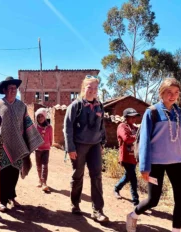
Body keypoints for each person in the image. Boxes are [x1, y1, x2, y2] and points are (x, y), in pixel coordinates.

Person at [126, 78, 181, 232]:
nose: (172, 96)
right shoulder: (152, 112)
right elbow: (144, 142)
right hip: (156, 164)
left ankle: (176, 230)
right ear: (161, 93)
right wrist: (144, 167)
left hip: (177, 162)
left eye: (176, 92)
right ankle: (133, 215)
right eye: (169, 92)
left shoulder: (180, 114)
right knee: (153, 200)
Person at [0, 76, 44, 212]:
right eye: (10, 88)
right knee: (3, 172)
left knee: (15, 171)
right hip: (2, 145)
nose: (13, 91)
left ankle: (11, 196)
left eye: (15, 88)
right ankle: (2, 201)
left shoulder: (22, 106)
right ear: (4, 90)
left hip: (19, 144)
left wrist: (32, 140)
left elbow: (27, 124)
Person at [63, 75, 109, 223]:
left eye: (95, 88)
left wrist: (102, 143)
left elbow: (102, 127)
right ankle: (75, 203)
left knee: (97, 176)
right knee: (78, 174)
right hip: (79, 145)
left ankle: (98, 210)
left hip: (95, 145)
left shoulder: (99, 106)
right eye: (90, 87)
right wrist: (70, 148)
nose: (93, 90)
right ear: (84, 88)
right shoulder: (75, 106)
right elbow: (68, 128)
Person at [114, 108, 140, 206]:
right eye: (131, 117)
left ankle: (116, 188)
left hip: (133, 157)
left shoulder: (135, 128)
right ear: (126, 117)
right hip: (125, 157)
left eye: (135, 117)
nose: (134, 119)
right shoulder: (122, 126)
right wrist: (138, 137)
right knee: (133, 178)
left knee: (127, 176)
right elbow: (127, 139)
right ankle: (136, 201)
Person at [35, 108, 53, 192]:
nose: (40, 118)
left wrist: (50, 144)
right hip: (37, 149)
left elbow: (50, 137)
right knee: (38, 165)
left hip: (46, 148)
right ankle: (40, 180)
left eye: (41, 116)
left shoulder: (49, 127)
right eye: (38, 117)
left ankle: (44, 183)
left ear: (45, 117)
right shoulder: (35, 127)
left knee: (44, 165)